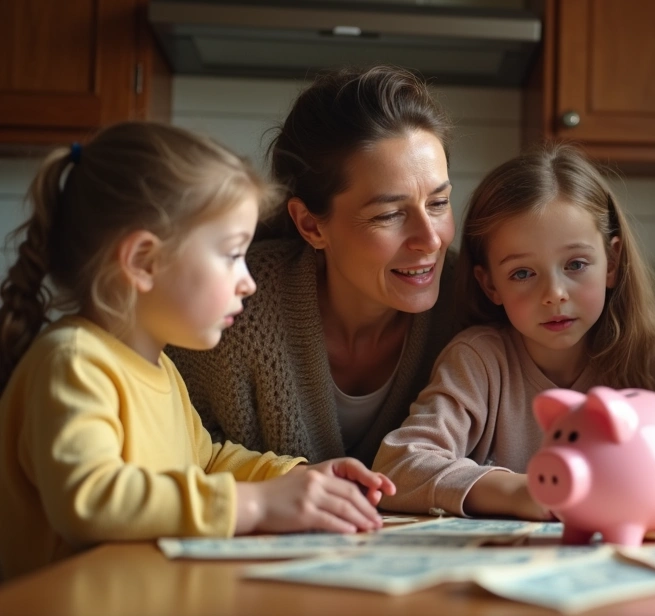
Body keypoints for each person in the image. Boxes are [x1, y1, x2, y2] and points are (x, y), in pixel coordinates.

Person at [0, 123, 395, 580]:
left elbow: (207, 462)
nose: (248, 281)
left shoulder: (161, 368)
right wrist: (257, 505)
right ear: (143, 261)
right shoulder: (71, 362)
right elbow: (90, 500)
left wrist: (299, 477)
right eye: (231, 255)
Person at [373, 144, 655, 520]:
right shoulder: (479, 361)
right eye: (522, 273)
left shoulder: (654, 354)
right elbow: (398, 465)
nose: (554, 295)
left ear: (612, 263)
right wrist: (522, 492)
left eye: (576, 264)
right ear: (490, 286)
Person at [168, 66, 463, 467]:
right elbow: (175, 455)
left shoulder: (475, 305)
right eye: (389, 215)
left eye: (438, 203)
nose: (430, 239)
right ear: (311, 225)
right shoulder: (232, 313)